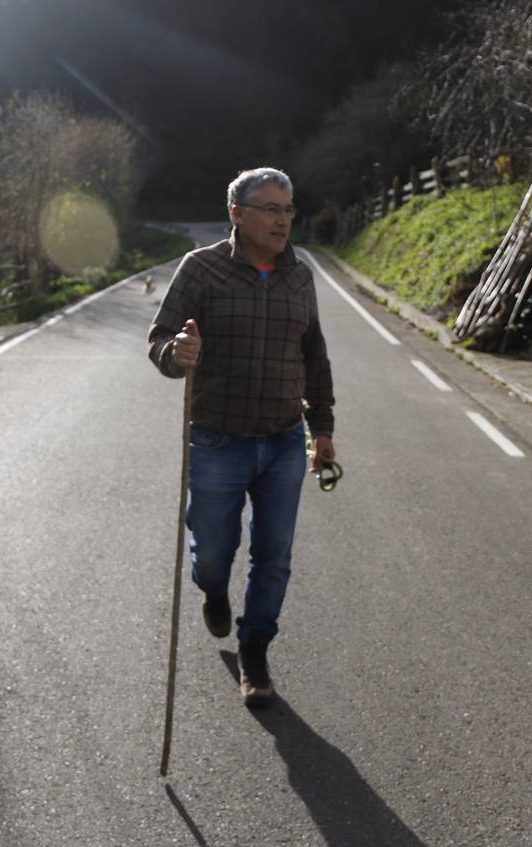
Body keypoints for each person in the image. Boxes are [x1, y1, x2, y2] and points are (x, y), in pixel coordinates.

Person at [147, 167, 335, 707]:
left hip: (282, 442)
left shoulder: (300, 275)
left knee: (274, 556)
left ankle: (255, 651)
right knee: (213, 553)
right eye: (270, 209)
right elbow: (161, 338)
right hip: (216, 441)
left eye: (288, 208)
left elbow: (314, 355)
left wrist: (321, 427)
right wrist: (173, 355)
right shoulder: (201, 270)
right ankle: (211, 588)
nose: (283, 219)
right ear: (238, 214)